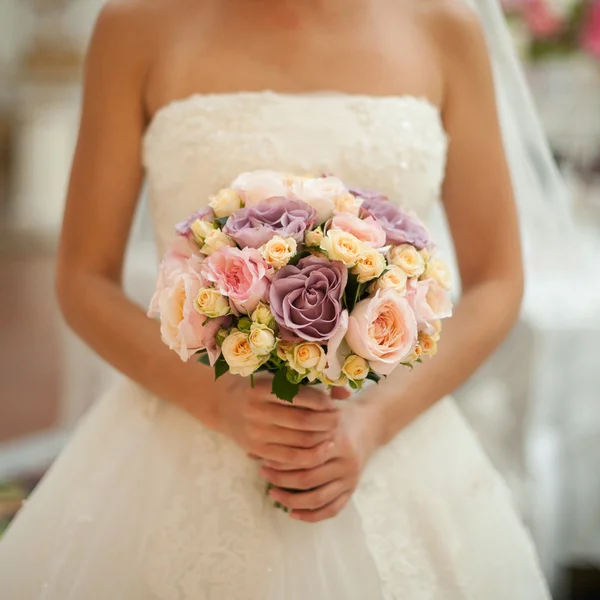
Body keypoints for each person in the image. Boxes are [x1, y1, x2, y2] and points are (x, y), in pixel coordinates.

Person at [0, 0, 552, 597]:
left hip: (388, 435)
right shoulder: (135, 24)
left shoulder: (445, 26)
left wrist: (372, 422)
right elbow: (84, 279)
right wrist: (223, 404)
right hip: (181, 431)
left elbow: (498, 278)